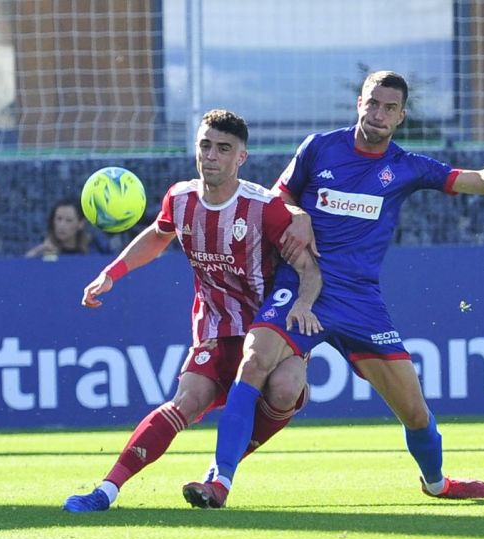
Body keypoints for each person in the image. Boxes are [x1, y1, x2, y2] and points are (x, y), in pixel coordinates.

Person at [181, 71, 484, 509]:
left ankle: (436, 483)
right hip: (299, 287)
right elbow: (281, 200)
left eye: (389, 107)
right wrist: (298, 212)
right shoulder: (319, 148)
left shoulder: (408, 167)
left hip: (360, 302)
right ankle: (219, 480)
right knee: (255, 361)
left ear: (401, 115)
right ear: (359, 103)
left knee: (414, 411)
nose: (379, 113)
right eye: (373, 103)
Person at [63, 109, 322, 512]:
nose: (212, 156)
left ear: (241, 158)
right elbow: (157, 235)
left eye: (224, 149)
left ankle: (219, 474)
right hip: (217, 326)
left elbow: (309, 268)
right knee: (185, 402)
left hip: (270, 326)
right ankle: (106, 491)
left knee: (285, 389)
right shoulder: (180, 198)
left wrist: (304, 304)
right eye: (205, 146)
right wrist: (112, 273)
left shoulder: (264, 208)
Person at [25, 198, 92, 257]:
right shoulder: (42, 249)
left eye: (69, 220)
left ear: (81, 224)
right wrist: (37, 251)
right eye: (59, 219)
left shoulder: (92, 249)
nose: (62, 225)